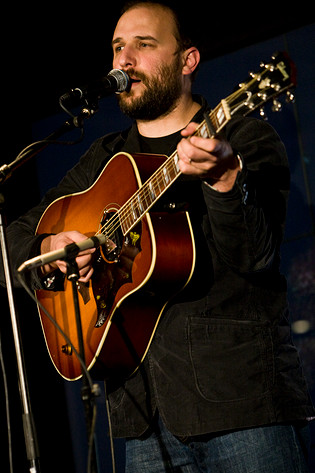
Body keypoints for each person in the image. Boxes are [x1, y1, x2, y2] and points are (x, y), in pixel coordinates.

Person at [1, 1, 314, 471]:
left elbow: (256, 255)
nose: (124, 61)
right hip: (142, 423)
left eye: (144, 45)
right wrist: (48, 247)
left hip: (242, 406)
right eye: (117, 48)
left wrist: (226, 180)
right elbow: (11, 239)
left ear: (187, 61)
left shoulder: (243, 138)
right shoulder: (106, 159)